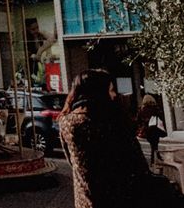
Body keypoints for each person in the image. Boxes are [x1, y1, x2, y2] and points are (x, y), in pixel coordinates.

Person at [59, 69, 150, 207]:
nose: (114, 95)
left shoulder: (67, 123)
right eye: (111, 90)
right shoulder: (113, 122)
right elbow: (136, 163)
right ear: (100, 94)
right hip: (121, 198)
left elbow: (71, 161)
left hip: (86, 201)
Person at [135, 94, 166, 164]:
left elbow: (138, 120)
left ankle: (155, 158)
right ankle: (156, 158)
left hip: (147, 130)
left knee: (153, 144)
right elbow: (160, 116)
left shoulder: (142, 109)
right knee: (155, 144)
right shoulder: (155, 108)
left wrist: (143, 124)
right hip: (155, 129)